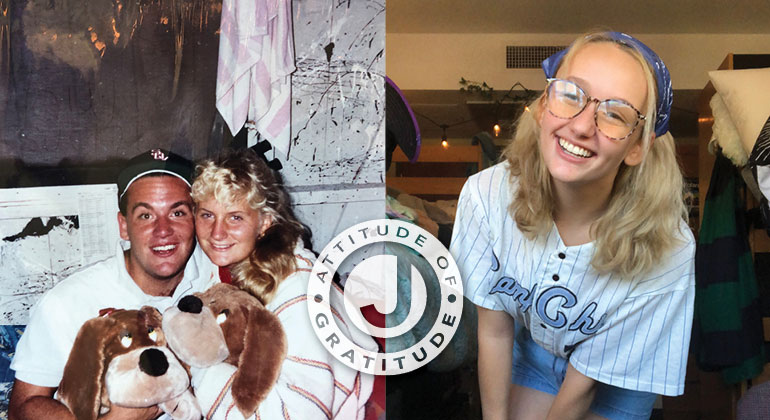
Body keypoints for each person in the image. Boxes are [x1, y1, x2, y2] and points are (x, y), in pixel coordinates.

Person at [450, 31, 695, 420]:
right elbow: (495, 331)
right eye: (570, 94)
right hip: (531, 354)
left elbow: (585, 386)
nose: (582, 126)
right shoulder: (486, 195)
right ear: (545, 104)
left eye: (615, 114)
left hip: (615, 382)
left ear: (637, 147)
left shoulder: (670, 246)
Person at [9, 148, 219, 420]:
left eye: (177, 213)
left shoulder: (217, 275)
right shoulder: (67, 303)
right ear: (123, 225)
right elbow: (22, 408)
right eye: (146, 215)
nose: (163, 230)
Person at [189, 148, 376, 419]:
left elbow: (301, 414)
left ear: (264, 222)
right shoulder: (221, 269)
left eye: (235, 217)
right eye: (207, 215)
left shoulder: (298, 287)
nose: (217, 232)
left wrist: (199, 366)